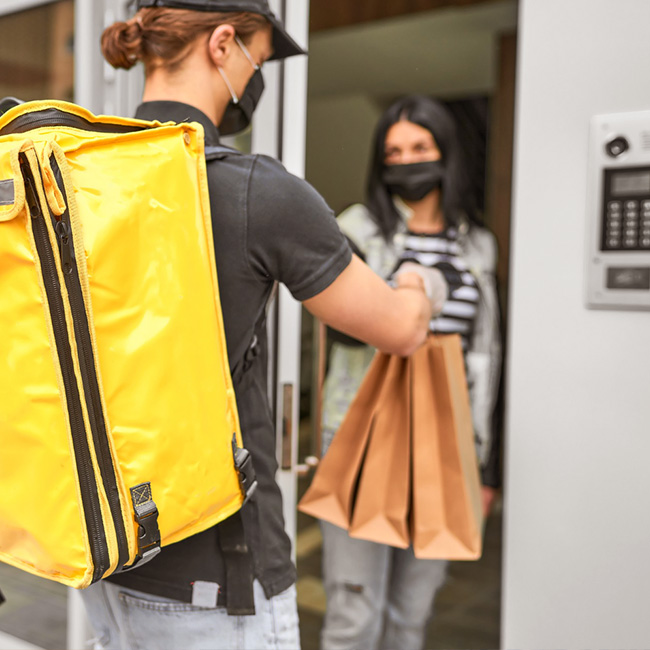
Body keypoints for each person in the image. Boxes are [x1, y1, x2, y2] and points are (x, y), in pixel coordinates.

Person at [79, 4, 448, 650]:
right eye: (259, 57)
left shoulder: (80, 175)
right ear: (223, 45)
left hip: (103, 556)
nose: (258, 76)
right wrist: (418, 280)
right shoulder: (256, 191)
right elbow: (399, 329)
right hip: (217, 582)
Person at [319, 95, 503, 650]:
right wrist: (417, 287)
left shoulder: (477, 243)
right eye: (394, 151)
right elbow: (348, 328)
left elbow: (489, 350)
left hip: (449, 441)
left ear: (445, 154)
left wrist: (487, 466)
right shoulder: (355, 231)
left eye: (420, 148)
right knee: (354, 616)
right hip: (364, 433)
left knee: (411, 615)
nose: (407, 161)